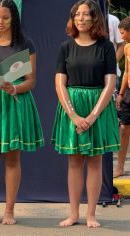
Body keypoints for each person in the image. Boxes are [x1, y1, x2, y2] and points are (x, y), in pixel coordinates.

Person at [0, 0, 44, 225]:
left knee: (12, 158)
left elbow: (31, 81)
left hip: (13, 102)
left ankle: (9, 211)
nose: (0, 22)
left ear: (14, 18)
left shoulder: (26, 44)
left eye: (5, 18)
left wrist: (15, 87)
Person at [51, 0, 120, 228]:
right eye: (76, 14)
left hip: (97, 108)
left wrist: (92, 116)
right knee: (74, 162)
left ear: (95, 18)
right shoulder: (65, 47)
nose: (80, 18)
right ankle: (73, 214)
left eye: (85, 14)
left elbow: (110, 83)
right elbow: (60, 83)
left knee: (95, 161)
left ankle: (91, 214)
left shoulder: (106, 47)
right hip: (72, 108)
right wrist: (73, 115)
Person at [115, 16, 130, 177]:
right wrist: (120, 93)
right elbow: (126, 71)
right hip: (128, 92)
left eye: (123, 33)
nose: (121, 36)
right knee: (124, 127)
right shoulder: (126, 48)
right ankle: (119, 166)